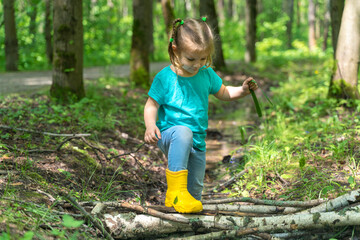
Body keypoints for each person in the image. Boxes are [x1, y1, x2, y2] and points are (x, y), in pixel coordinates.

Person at [144, 17, 258, 213]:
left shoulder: (205, 73)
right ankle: (175, 191)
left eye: (203, 59)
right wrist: (150, 125)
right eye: (191, 59)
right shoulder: (165, 77)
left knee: (195, 196)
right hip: (170, 136)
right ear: (175, 49)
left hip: (198, 142)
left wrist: (242, 90)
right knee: (183, 132)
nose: (197, 64)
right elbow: (151, 104)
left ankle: (180, 214)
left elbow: (224, 92)